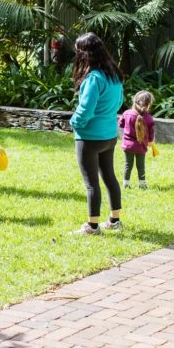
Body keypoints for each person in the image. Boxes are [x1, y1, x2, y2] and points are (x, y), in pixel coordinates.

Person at [70, 32, 124, 235]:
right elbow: (119, 103)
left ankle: (92, 226)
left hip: (89, 137)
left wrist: (74, 123)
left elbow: (85, 109)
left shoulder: (93, 78)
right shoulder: (113, 75)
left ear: (84, 54)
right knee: (109, 176)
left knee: (91, 183)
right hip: (109, 136)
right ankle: (114, 220)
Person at [119, 90, 156, 189]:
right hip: (141, 146)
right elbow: (151, 134)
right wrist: (151, 142)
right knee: (140, 166)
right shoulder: (149, 118)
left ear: (134, 101)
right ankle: (142, 184)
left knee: (128, 165)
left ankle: (126, 184)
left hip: (127, 145)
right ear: (148, 104)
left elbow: (120, 124)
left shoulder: (127, 113)